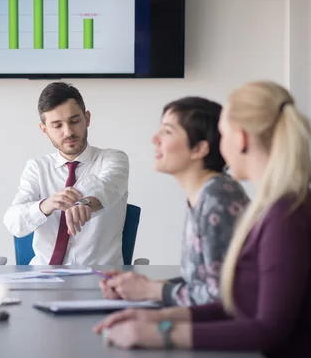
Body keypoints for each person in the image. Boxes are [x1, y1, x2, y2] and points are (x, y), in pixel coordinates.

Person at [93, 81, 311, 358]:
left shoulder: (284, 215)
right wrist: (158, 318)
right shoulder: (274, 208)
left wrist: (162, 333)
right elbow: (238, 303)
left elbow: (269, 330)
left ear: (240, 138)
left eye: (223, 132)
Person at [99, 97, 249, 306]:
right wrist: (140, 287)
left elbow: (221, 296)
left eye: (167, 131)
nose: (154, 139)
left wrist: (151, 290)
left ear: (199, 149)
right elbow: (200, 282)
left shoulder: (218, 199)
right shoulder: (207, 193)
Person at [3, 82, 129, 265]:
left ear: (87, 118)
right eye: (57, 125)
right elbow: (14, 223)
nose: (68, 132)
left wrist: (84, 204)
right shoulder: (36, 168)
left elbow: (107, 187)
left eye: (74, 121)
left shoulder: (113, 158)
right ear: (45, 130)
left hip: (98, 280)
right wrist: (46, 205)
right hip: (43, 278)